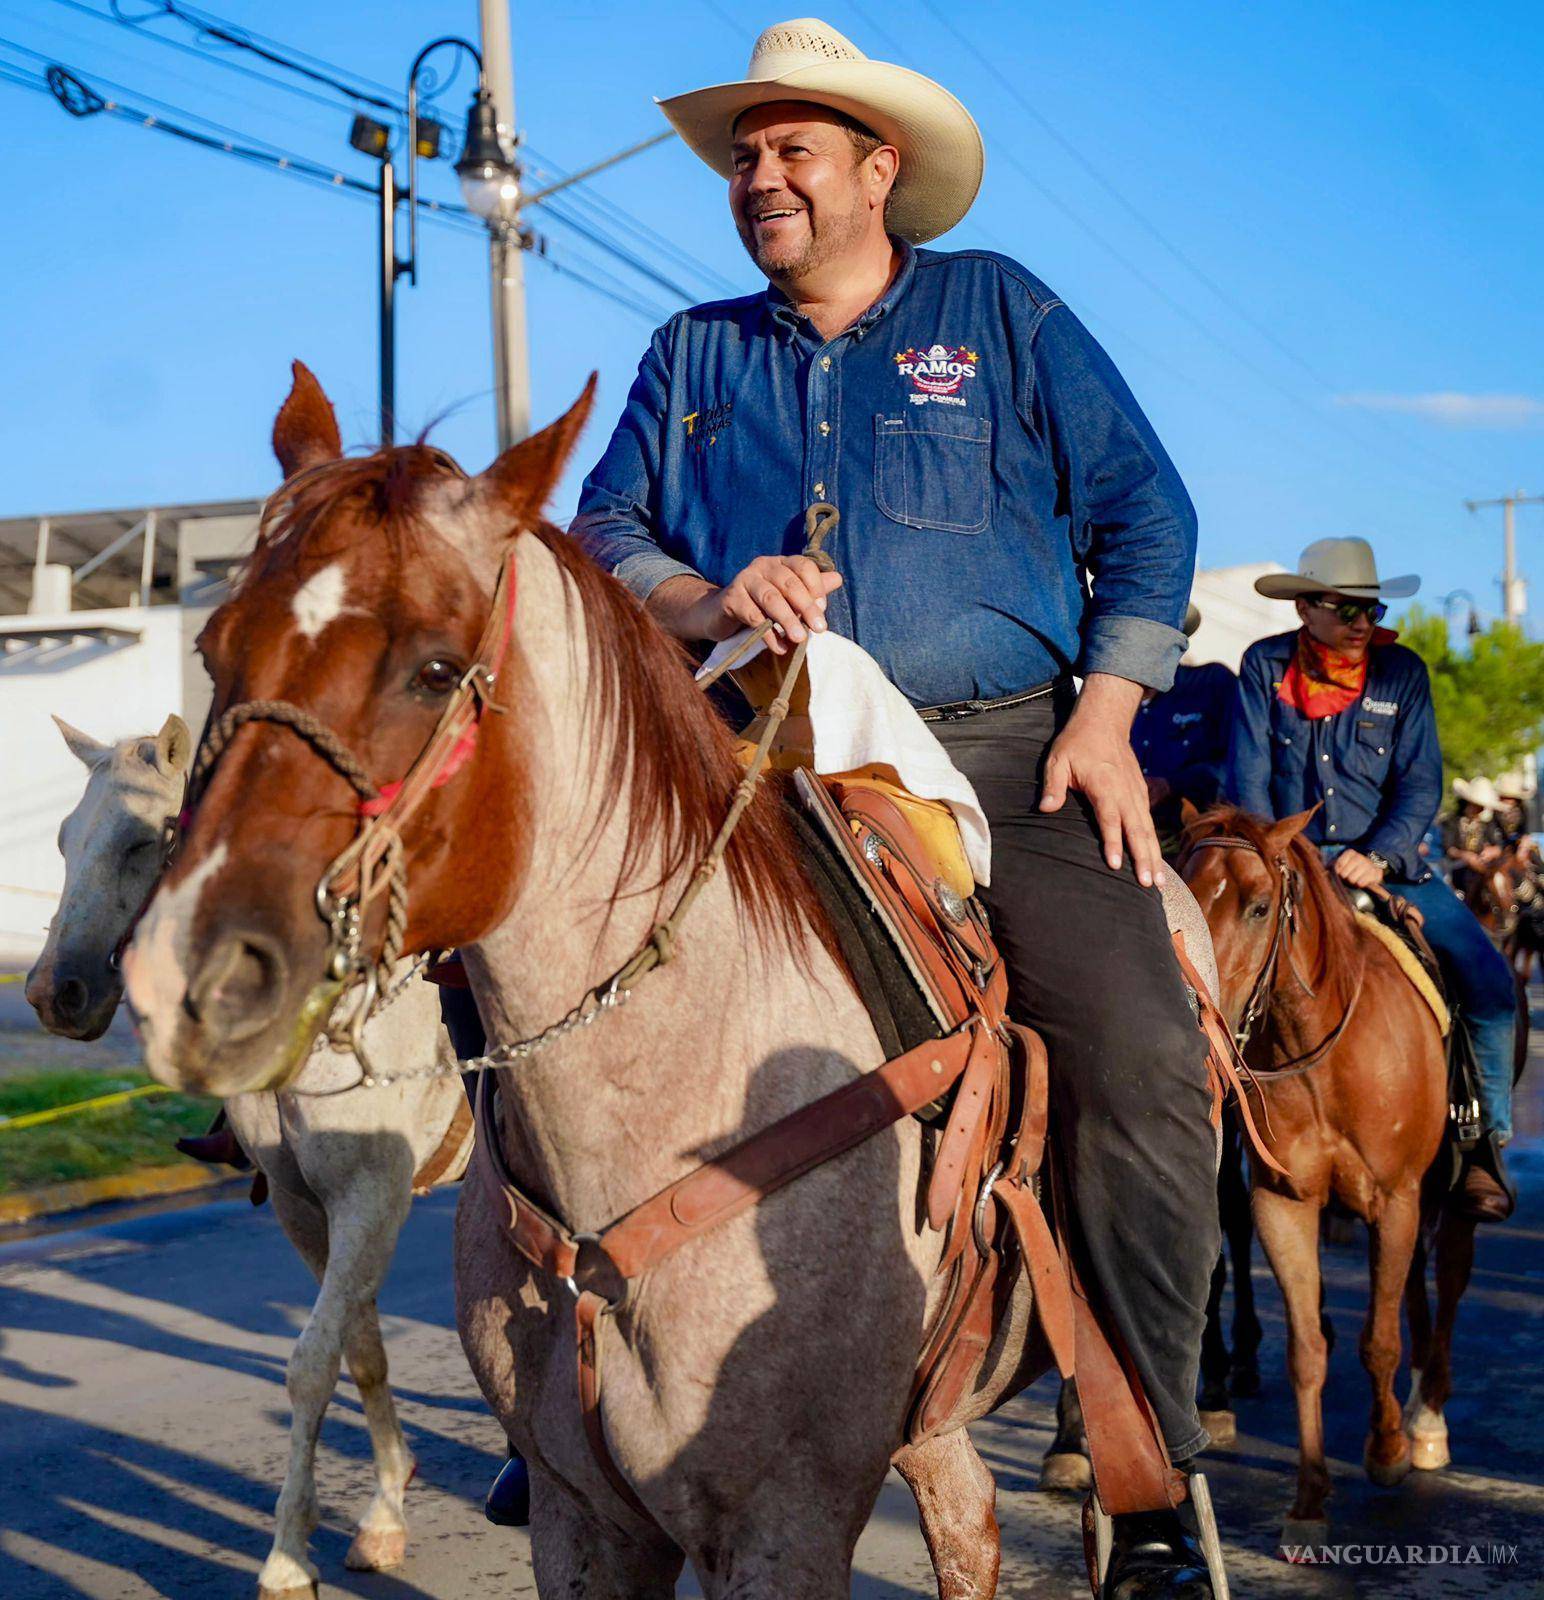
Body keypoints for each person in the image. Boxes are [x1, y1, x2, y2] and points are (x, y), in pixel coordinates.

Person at [573, 19, 1221, 1594]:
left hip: (1006, 756)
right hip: (757, 762)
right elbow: (603, 530)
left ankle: (1145, 1467)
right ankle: (560, 1395)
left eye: (793, 149)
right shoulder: (692, 353)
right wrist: (703, 592)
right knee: (539, 996)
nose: (760, 176)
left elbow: (1147, 514)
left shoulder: (998, 308)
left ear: (880, 171)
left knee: (1140, 1054)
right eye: (745, 155)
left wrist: (1110, 716)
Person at [1229, 538, 1516, 1221]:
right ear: (1305, 607)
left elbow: (1420, 785)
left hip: (1390, 868)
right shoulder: (1263, 666)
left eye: (1372, 609)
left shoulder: (1401, 672)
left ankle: (1482, 1142)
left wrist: (1379, 855)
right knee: (1209, 974)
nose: (1363, 622)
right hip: (1291, 867)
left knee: (1490, 986)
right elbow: (1247, 779)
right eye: (1347, 609)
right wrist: (1280, 857)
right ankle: (1210, 1137)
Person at [1132, 604, 1235, 857]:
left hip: (1195, 843)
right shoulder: (1101, 702)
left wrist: (1171, 784)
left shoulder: (1211, 684)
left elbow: (1239, 764)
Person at [1443, 777, 1505, 903]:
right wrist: (1466, 856)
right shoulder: (1452, 821)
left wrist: (1492, 851)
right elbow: (1449, 848)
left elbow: (1498, 845)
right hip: (1460, 867)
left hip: (1485, 865)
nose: (1479, 809)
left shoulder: (1488, 822)